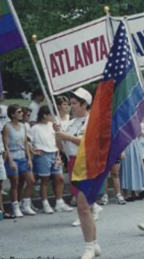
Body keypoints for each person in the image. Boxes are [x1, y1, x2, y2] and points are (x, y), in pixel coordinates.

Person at [54, 88, 102, 226]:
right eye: (70, 103)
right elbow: (61, 146)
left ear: (84, 104)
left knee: (81, 190)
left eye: (74, 103)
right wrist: (58, 134)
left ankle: (85, 213)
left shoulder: (92, 121)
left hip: (85, 159)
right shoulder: (68, 123)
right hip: (72, 159)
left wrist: (67, 137)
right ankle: (93, 207)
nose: (71, 107)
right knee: (75, 189)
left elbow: (89, 142)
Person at [29, 106, 72, 214]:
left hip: (54, 154)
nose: (53, 117)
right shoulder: (35, 128)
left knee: (60, 178)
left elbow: (56, 141)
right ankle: (45, 203)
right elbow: (26, 141)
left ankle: (59, 202)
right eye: (50, 114)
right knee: (45, 180)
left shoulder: (52, 126)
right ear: (44, 115)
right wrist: (34, 151)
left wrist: (58, 154)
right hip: (43, 155)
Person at [3, 104, 36, 217]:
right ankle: (15, 206)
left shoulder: (23, 126)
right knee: (15, 183)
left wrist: (29, 159)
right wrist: (10, 161)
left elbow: (26, 143)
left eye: (22, 112)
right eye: (19, 112)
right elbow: (6, 145)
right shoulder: (7, 127)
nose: (22, 114)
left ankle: (25, 204)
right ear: (12, 114)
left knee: (31, 180)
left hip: (23, 157)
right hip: (13, 156)